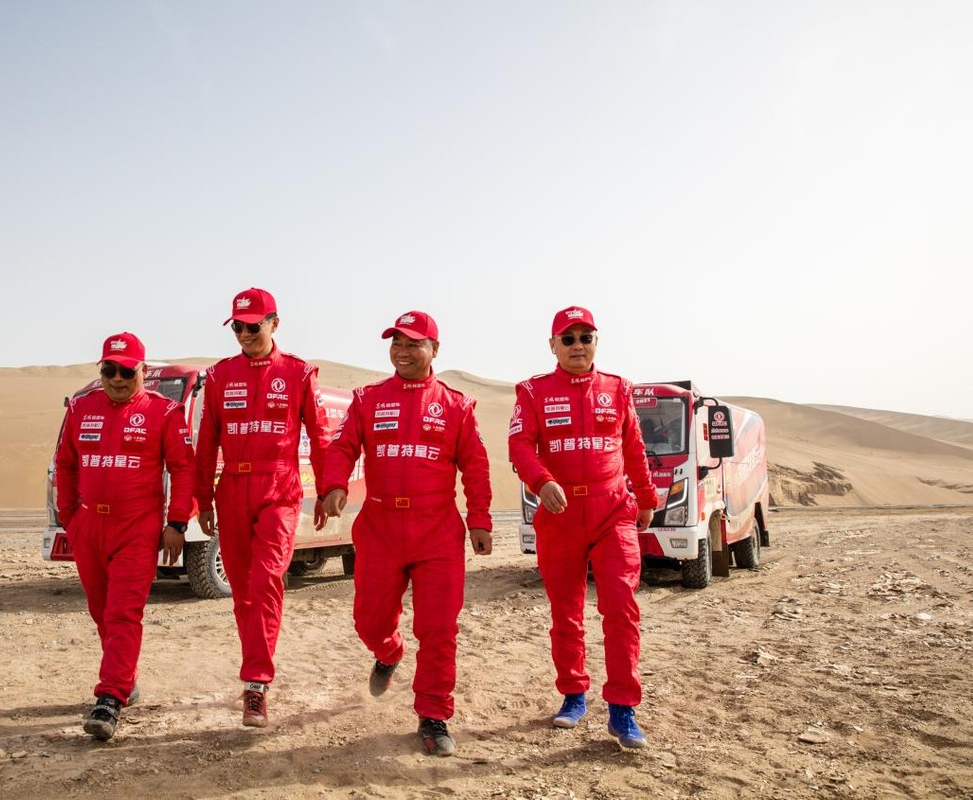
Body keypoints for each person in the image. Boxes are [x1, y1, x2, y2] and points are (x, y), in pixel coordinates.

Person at [322, 310, 493, 757]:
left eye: (413, 343)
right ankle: (390, 651)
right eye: (395, 342)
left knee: (439, 628)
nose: (402, 351)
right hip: (379, 527)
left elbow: (475, 466)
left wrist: (479, 519)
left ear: (434, 349)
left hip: (436, 528)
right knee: (369, 620)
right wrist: (335, 485)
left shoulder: (456, 405)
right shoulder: (368, 399)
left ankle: (434, 714)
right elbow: (341, 446)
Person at [507, 306, 659, 749]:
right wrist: (542, 480)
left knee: (620, 606)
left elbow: (634, 447)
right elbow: (519, 444)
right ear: (553, 345)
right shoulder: (533, 392)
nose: (577, 346)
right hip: (559, 515)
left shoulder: (618, 388)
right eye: (567, 338)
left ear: (597, 342)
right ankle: (574, 695)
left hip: (613, 511)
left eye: (585, 337)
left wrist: (647, 499)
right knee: (566, 612)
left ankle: (623, 711)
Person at [194, 287, 331, 728]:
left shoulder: (297, 373)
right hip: (231, 487)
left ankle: (256, 683)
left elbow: (322, 437)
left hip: (279, 487)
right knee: (243, 593)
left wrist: (330, 488)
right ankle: (256, 670)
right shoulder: (219, 377)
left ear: (275, 322)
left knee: (266, 578)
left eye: (254, 325)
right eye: (238, 326)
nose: (246, 334)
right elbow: (205, 443)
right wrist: (201, 498)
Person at [54, 332, 196, 741]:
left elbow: (183, 469)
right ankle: (125, 678)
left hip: (137, 528)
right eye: (108, 370)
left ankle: (110, 698)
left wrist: (177, 523)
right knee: (101, 612)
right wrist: (69, 515)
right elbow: (66, 463)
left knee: (122, 613)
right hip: (88, 528)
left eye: (126, 371)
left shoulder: (165, 412)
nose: (117, 379)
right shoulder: (82, 408)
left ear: (143, 371)